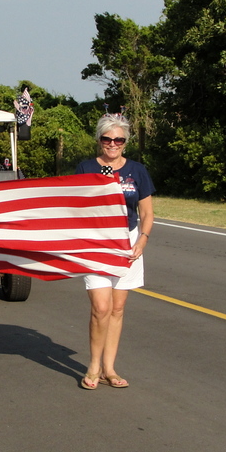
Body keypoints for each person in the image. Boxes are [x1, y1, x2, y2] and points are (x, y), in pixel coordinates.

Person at [74, 114, 154, 390]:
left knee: (118, 308)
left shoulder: (137, 171)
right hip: (96, 242)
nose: (112, 144)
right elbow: (72, 207)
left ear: (125, 142)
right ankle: (94, 365)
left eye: (118, 139)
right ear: (99, 141)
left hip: (128, 241)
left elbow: (146, 212)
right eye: (107, 139)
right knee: (101, 307)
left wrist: (142, 240)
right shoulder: (85, 169)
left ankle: (109, 367)